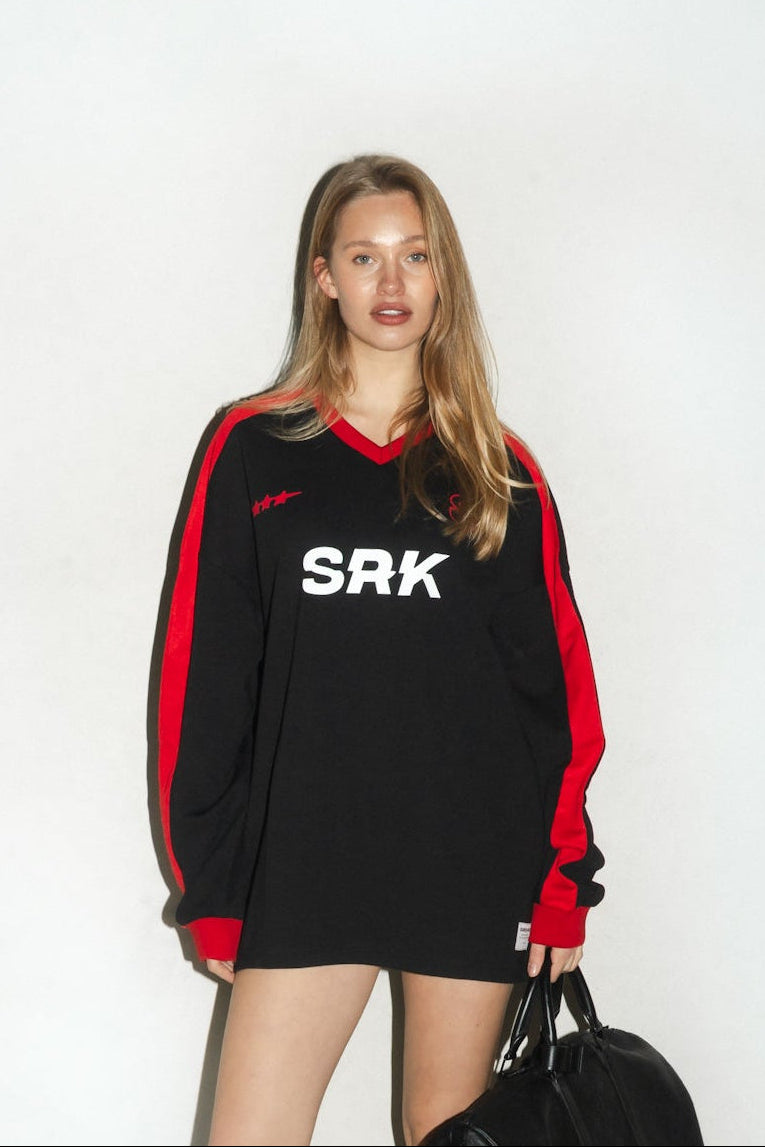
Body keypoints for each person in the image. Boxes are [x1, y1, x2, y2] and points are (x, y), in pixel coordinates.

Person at [154, 153, 606, 1147]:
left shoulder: (498, 467)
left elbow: (557, 697)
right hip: (306, 859)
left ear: (444, 277)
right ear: (324, 277)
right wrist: (212, 887)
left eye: (415, 255)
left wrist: (563, 883)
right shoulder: (252, 447)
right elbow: (203, 683)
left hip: (469, 860)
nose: (391, 282)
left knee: (445, 1132)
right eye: (364, 257)